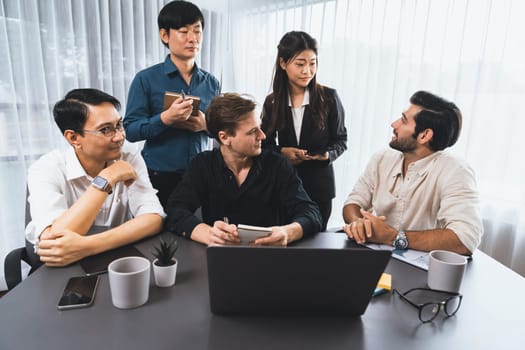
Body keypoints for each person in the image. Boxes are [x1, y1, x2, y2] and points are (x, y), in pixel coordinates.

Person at [25, 89, 165, 267]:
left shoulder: (128, 155)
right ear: (74, 137)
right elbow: (55, 239)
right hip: (64, 266)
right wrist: (106, 178)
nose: (120, 136)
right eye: (105, 130)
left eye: (119, 125)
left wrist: (87, 246)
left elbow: (154, 218)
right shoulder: (45, 169)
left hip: (118, 258)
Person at [165, 93, 322, 246]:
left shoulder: (277, 165)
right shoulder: (202, 165)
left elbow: (311, 213)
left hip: (269, 258)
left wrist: (287, 232)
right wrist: (208, 234)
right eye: (253, 131)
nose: (262, 136)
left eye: (259, 128)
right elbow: (175, 210)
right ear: (225, 138)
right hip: (220, 258)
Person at [342, 91, 482, 255]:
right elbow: (353, 203)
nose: (394, 124)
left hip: (418, 270)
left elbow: (465, 239)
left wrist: (392, 237)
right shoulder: (381, 158)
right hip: (372, 257)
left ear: (424, 135)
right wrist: (360, 225)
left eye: (403, 120)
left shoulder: (456, 171)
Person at [124, 0, 221, 208]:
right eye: (183, 31)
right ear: (165, 35)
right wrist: (165, 119)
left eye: (197, 31)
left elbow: (222, 129)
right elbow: (130, 130)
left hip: (202, 173)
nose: (192, 39)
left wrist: (206, 125)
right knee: (160, 236)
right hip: (160, 175)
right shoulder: (146, 79)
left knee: (202, 233)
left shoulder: (211, 82)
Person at [261, 31, 347, 231]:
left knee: (315, 246)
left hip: (319, 188)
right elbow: (263, 143)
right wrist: (281, 152)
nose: (307, 71)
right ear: (283, 63)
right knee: (284, 243)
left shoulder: (329, 97)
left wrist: (327, 155)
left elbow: (341, 140)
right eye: (300, 64)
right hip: (284, 184)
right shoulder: (272, 102)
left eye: (313, 63)